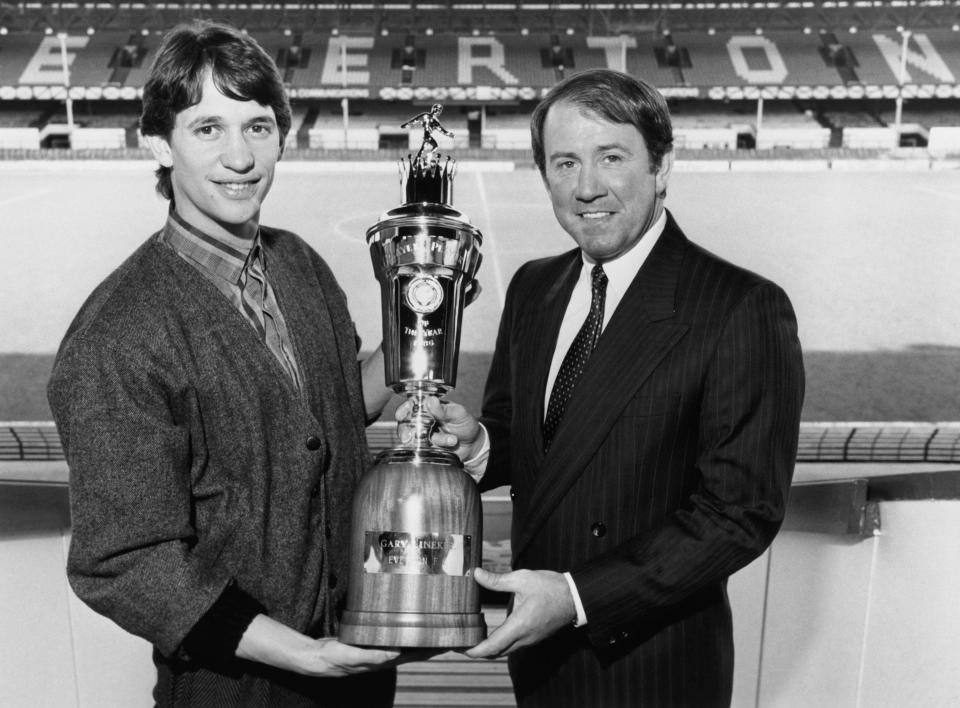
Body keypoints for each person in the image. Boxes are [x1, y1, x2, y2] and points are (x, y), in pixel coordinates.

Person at [47, 20, 410, 707]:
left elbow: (335, 410)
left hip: (359, 674)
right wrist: (303, 653)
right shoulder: (118, 334)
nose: (240, 157)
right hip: (236, 687)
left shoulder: (300, 263)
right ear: (158, 141)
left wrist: (421, 317)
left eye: (258, 127)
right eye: (208, 129)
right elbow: (122, 564)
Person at [422, 68, 805, 707]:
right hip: (542, 665)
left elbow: (738, 513)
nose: (587, 187)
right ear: (544, 174)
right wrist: (480, 446)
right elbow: (536, 442)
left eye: (611, 157)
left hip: (652, 667)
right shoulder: (534, 288)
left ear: (662, 165)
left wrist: (576, 598)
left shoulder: (740, 306)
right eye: (565, 162)